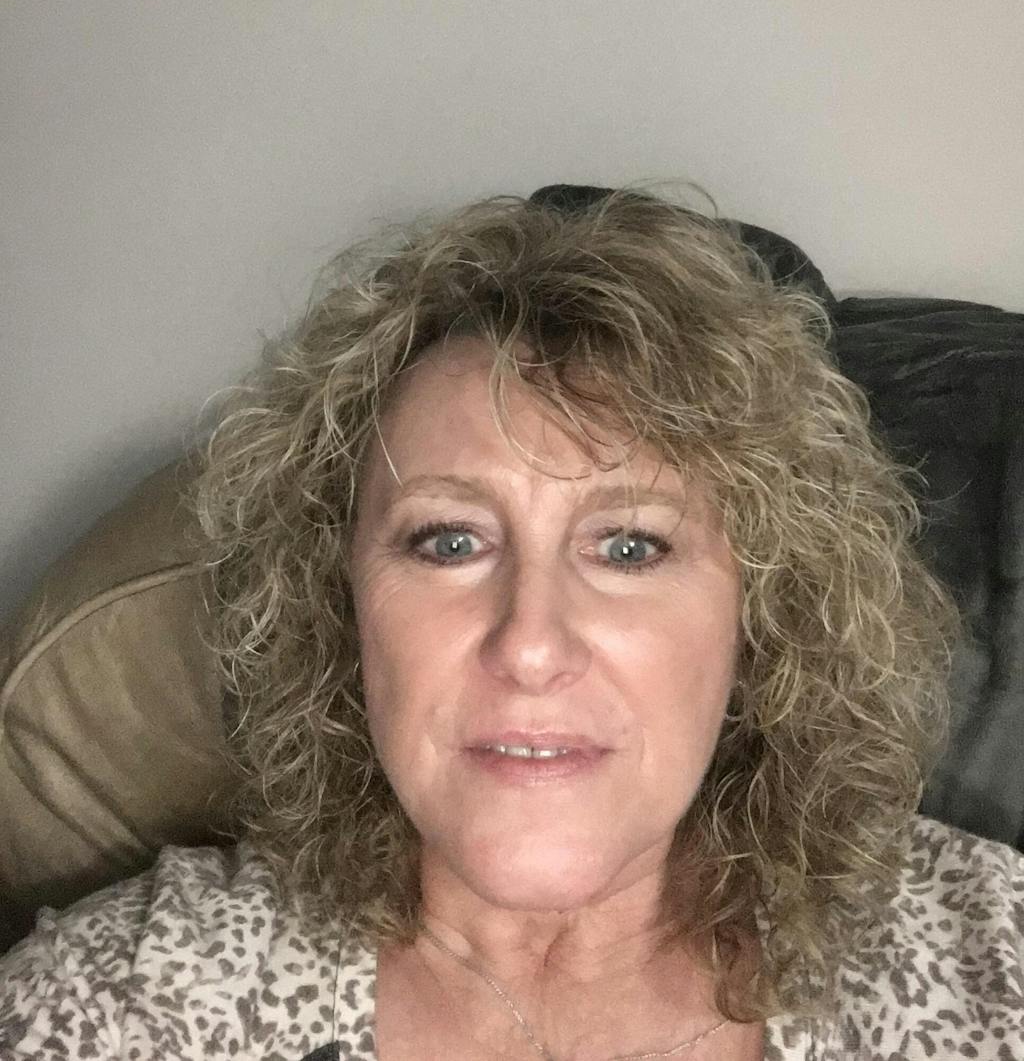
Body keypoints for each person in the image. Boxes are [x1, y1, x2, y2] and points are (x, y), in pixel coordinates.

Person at [1, 187, 1022, 1061]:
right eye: (448, 541)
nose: (530, 644)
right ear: (340, 607)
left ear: (761, 616)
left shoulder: (994, 970)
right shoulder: (121, 1007)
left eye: (630, 547)